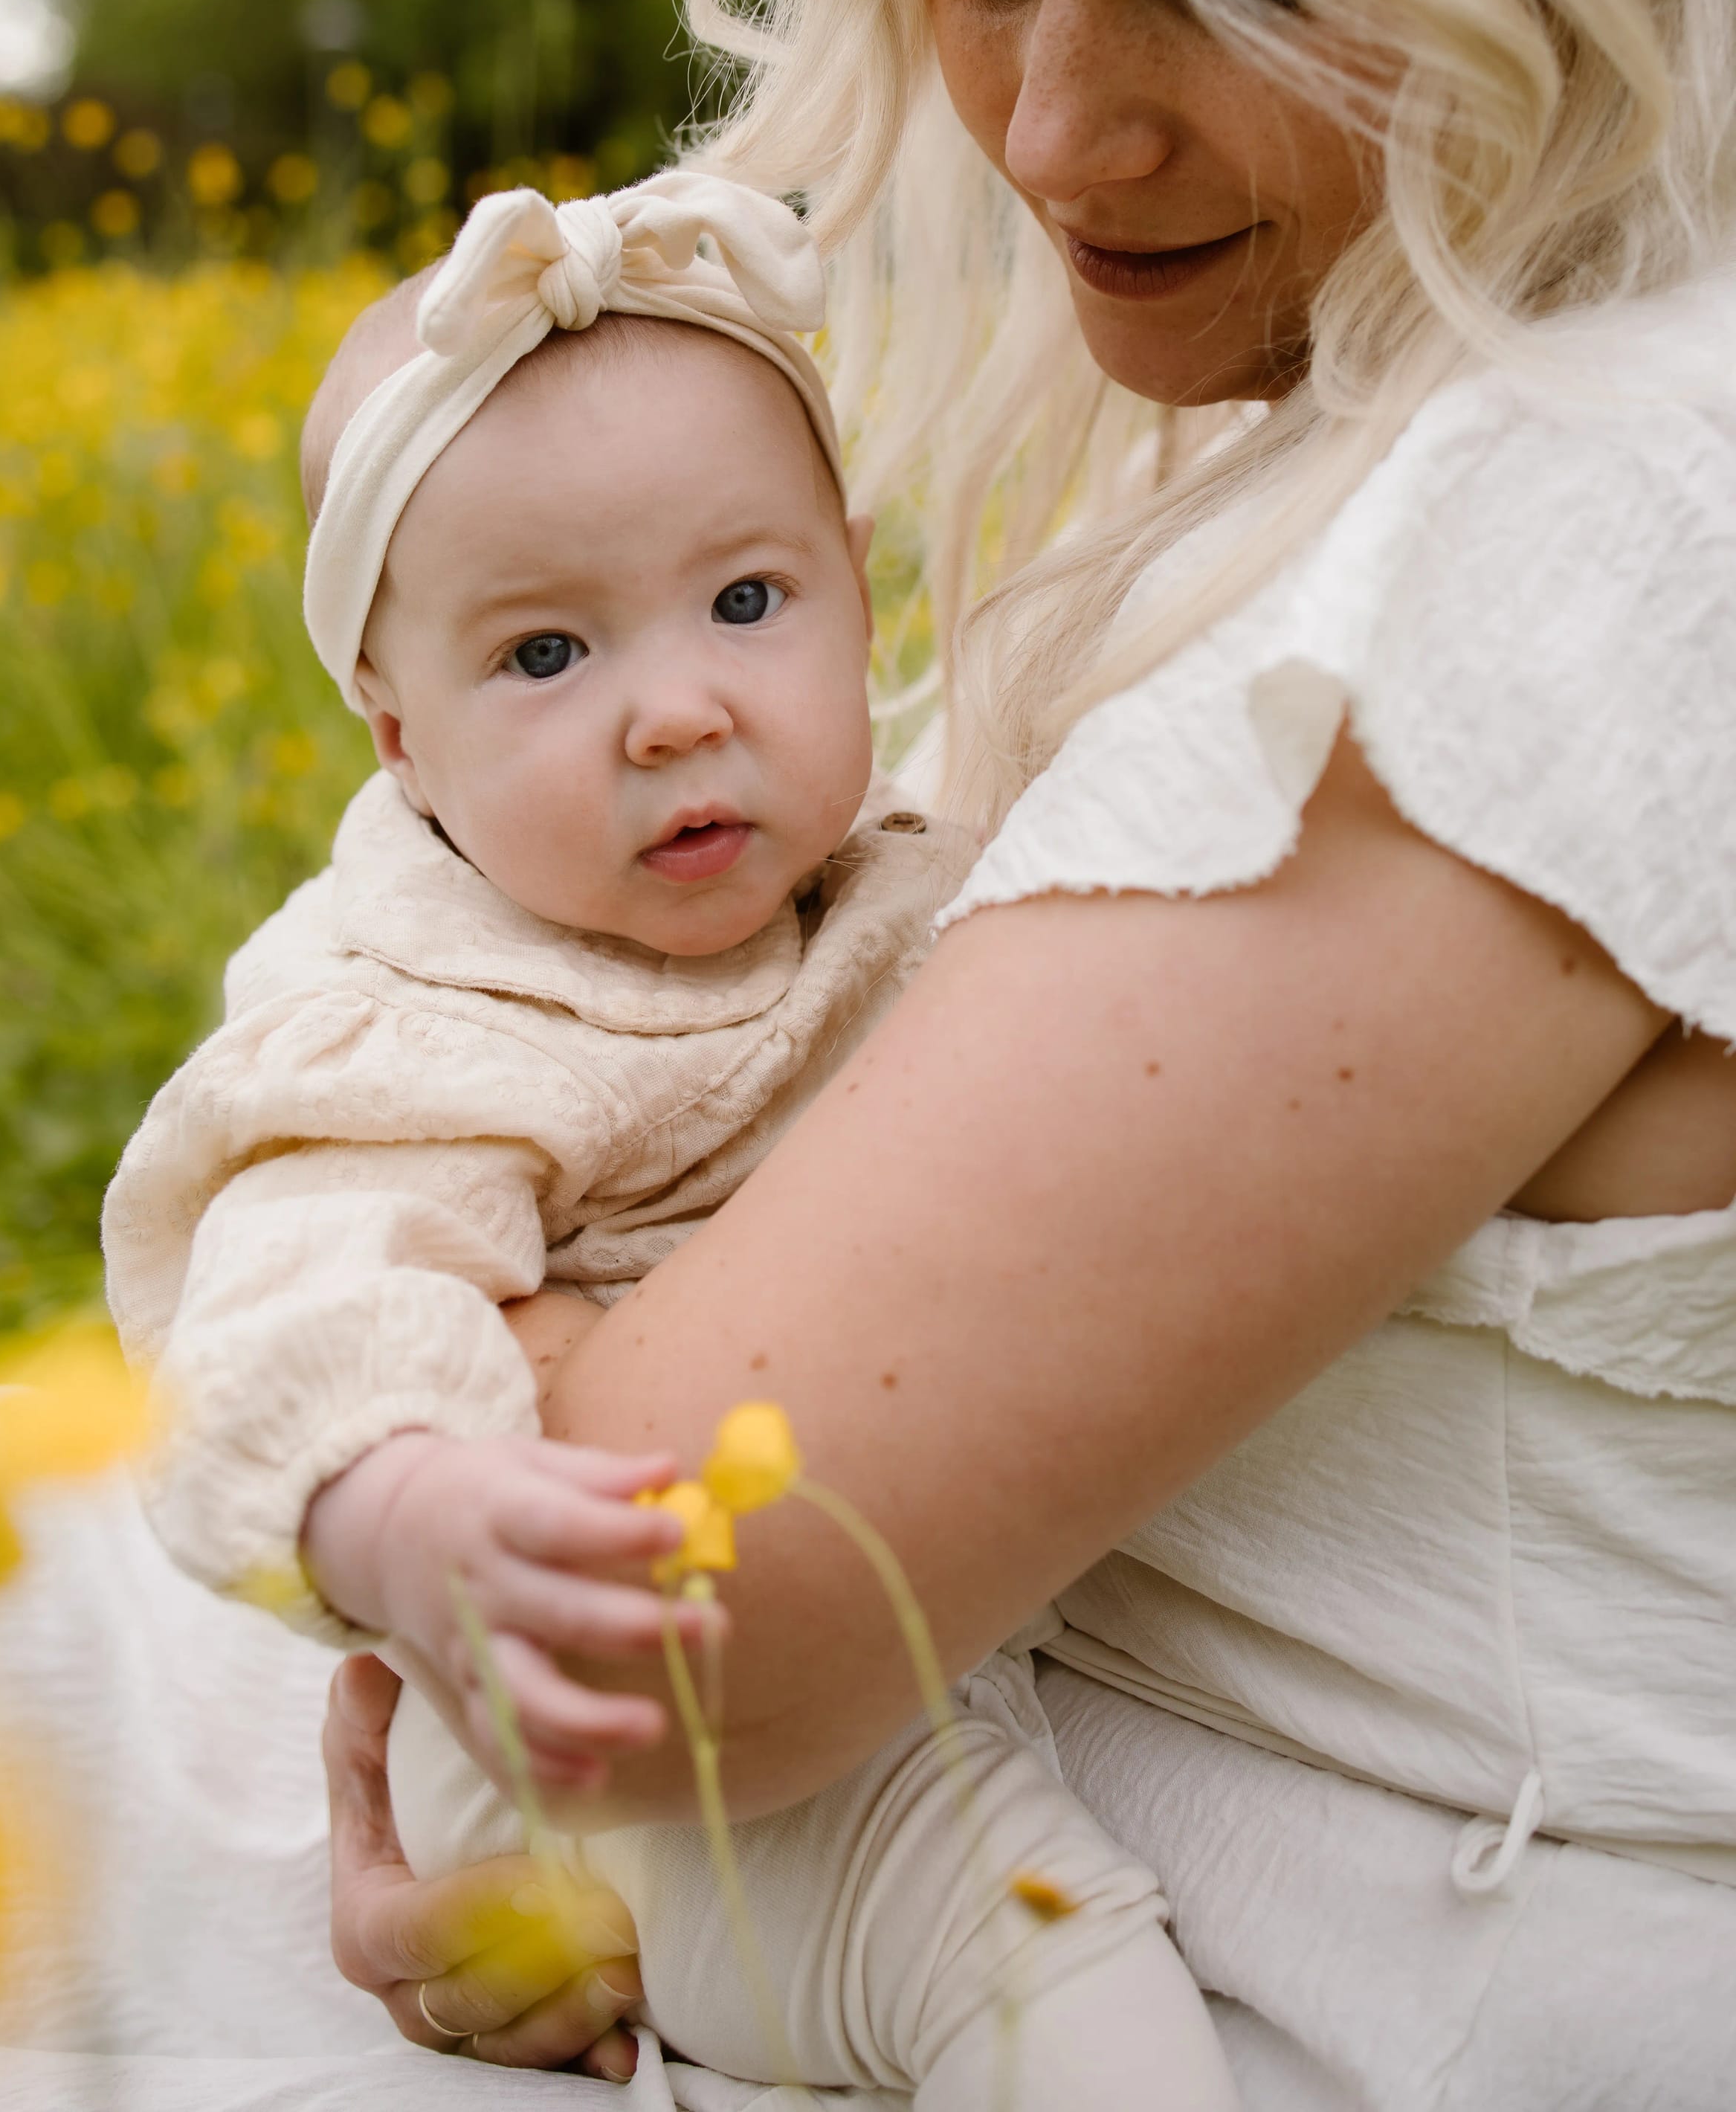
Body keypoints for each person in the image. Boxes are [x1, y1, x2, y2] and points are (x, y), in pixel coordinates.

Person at [0, 0, 1734, 2105]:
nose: (1062, 128)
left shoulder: (1606, 516)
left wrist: (358, 1418)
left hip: (1228, 1971)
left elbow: (693, 1619)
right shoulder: (1353, 422)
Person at [102, 165, 1234, 2108]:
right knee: (1037, 1953)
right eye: (547, 656)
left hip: (925, 1635)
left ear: (855, 588)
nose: (677, 710)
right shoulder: (426, 1019)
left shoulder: (902, 865)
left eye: (745, 601)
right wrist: (399, 1508)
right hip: (623, 1755)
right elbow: (284, 1310)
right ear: (395, 735)